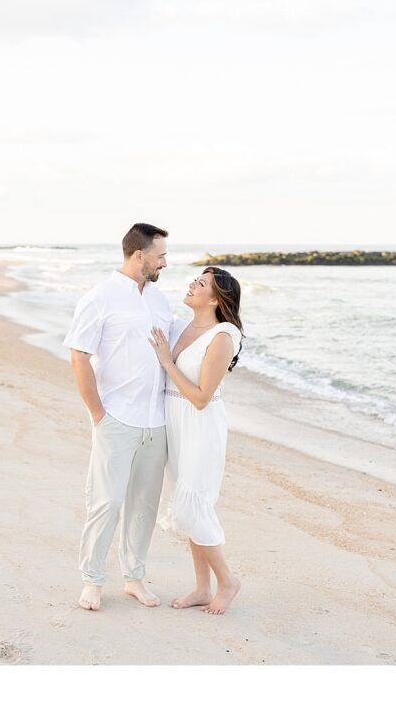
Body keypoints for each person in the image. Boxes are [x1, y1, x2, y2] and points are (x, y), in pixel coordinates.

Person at [63, 223, 172, 611]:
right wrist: (98, 414)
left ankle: (134, 578)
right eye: (160, 256)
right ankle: (91, 581)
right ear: (139, 256)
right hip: (117, 419)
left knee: (144, 505)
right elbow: (79, 355)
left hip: (155, 421)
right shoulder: (100, 297)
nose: (165, 262)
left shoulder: (160, 300)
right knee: (106, 502)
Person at [149, 266, 244, 615]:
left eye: (201, 283)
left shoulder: (222, 336)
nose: (192, 284)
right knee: (185, 506)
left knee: (194, 505)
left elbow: (203, 397)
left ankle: (227, 581)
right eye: (196, 279)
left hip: (200, 425)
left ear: (216, 299)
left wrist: (166, 362)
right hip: (175, 422)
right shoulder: (181, 326)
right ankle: (203, 587)